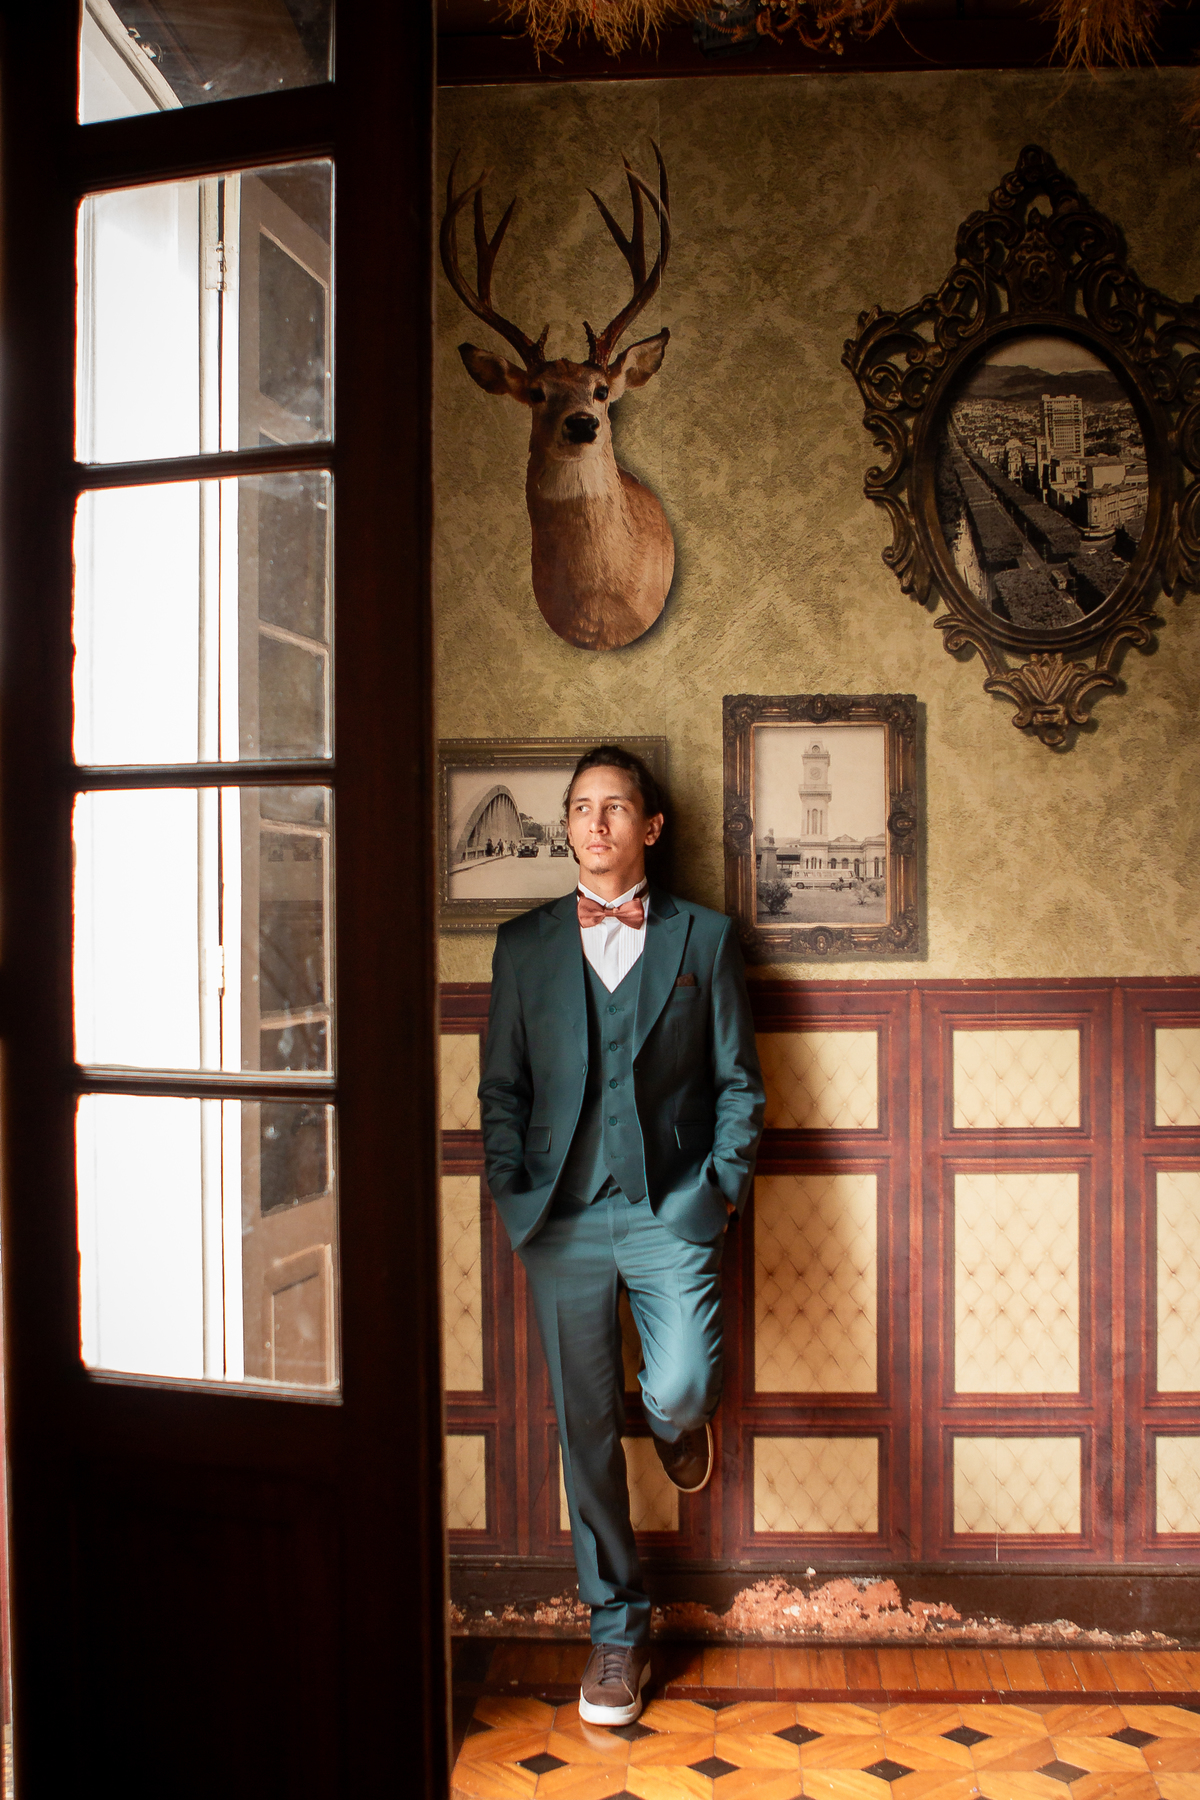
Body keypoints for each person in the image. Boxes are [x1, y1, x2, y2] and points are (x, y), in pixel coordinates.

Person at [478, 745, 764, 1727]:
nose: (595, 824)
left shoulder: (704, 939)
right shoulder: (523, 947)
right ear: (567, 827)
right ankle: (616, 1629)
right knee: (585, 1432)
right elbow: (502, 1091)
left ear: (651, 827)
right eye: (579, 808)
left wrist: (717, 1193)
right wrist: (516, 1199)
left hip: (668, 1207)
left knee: (678, 1381)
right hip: (558, 1216)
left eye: (615, 808)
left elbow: (738, 1083)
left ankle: (678, 1422)